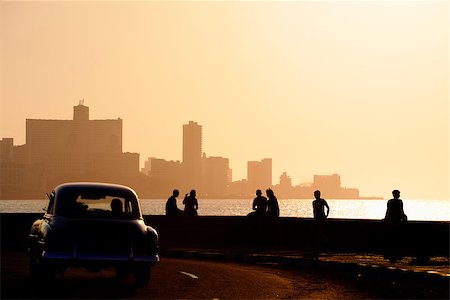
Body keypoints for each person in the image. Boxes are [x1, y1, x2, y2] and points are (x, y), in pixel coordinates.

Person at [383, 190, 408, 262]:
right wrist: (404, 218)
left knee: (391, 237)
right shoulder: (399, 202)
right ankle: (396, 254)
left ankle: (391, 254)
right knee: (396, 237)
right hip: (397, 221)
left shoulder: (390, 201)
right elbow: (401, 211)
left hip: (391, 221)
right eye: (398, 194)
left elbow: (388, 211)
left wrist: (386, 218)